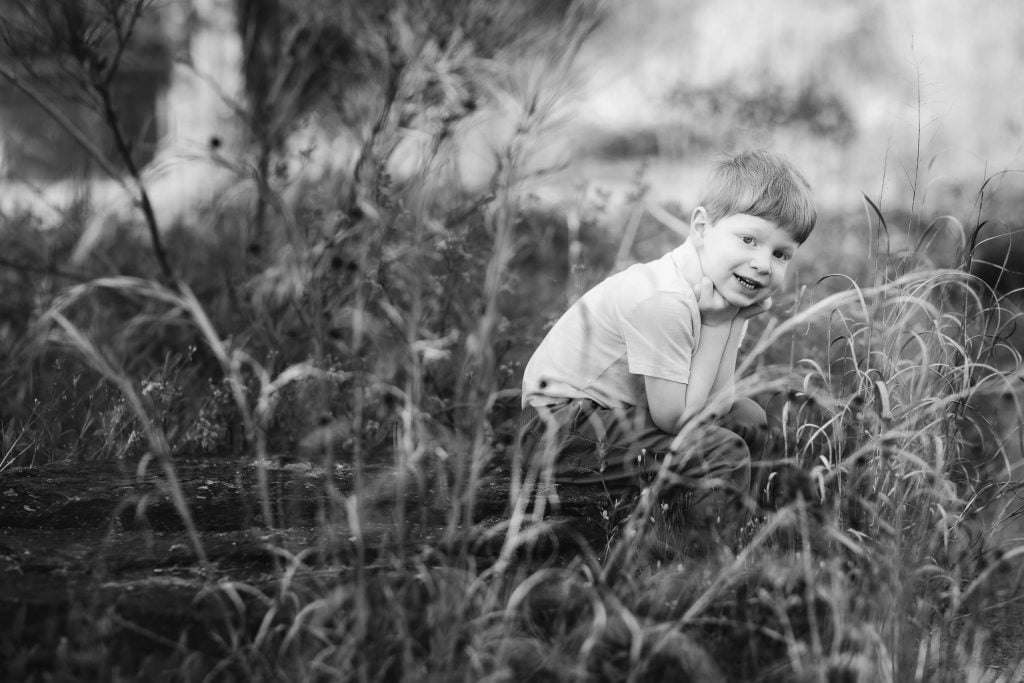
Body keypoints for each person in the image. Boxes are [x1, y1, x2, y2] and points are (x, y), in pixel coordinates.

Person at [517, 149, 817, 535]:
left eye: (780, 254)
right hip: (560, 430)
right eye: (748, 239)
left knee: (749, 420)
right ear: (702, 228)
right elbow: (676, 419)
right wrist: (717, 325)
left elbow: (717, 403)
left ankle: (743, 528)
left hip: (616, 414)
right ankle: (696, 561)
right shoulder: (665, 302)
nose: (763, 263)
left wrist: (724, 324)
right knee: (720, 450)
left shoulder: (725, 293)